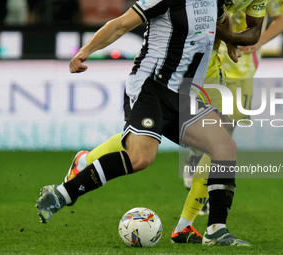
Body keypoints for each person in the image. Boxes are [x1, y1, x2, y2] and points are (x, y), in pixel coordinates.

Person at [36, 0, 252, 246]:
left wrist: (231, 42)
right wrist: (85, 51)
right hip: (152, 87)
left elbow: (222, 19)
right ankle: (61, 195)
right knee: (140, 159)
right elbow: (119, 26)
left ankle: (216, 231)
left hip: (184, 95)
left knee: (224, 148)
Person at [173, 0, 283, 244]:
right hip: (211, 66)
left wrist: (258, 41)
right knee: (220, 145)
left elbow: (282, 20)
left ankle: (189, 218)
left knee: (219, 144)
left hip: (241, 72)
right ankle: (193, 222)